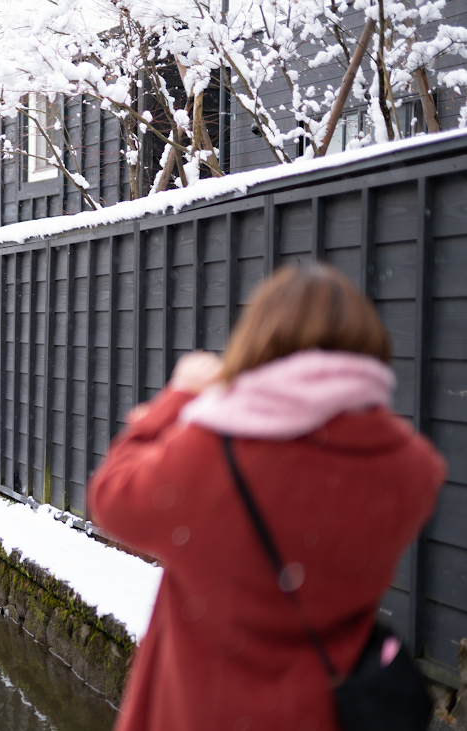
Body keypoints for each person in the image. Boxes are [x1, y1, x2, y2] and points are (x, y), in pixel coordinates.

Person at [87, 264, 447, 731]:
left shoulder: (216, 451)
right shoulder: (412, 467)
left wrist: (177, 400)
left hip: (203, 712)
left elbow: (111, 498)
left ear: (259, 341)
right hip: (319, 712)